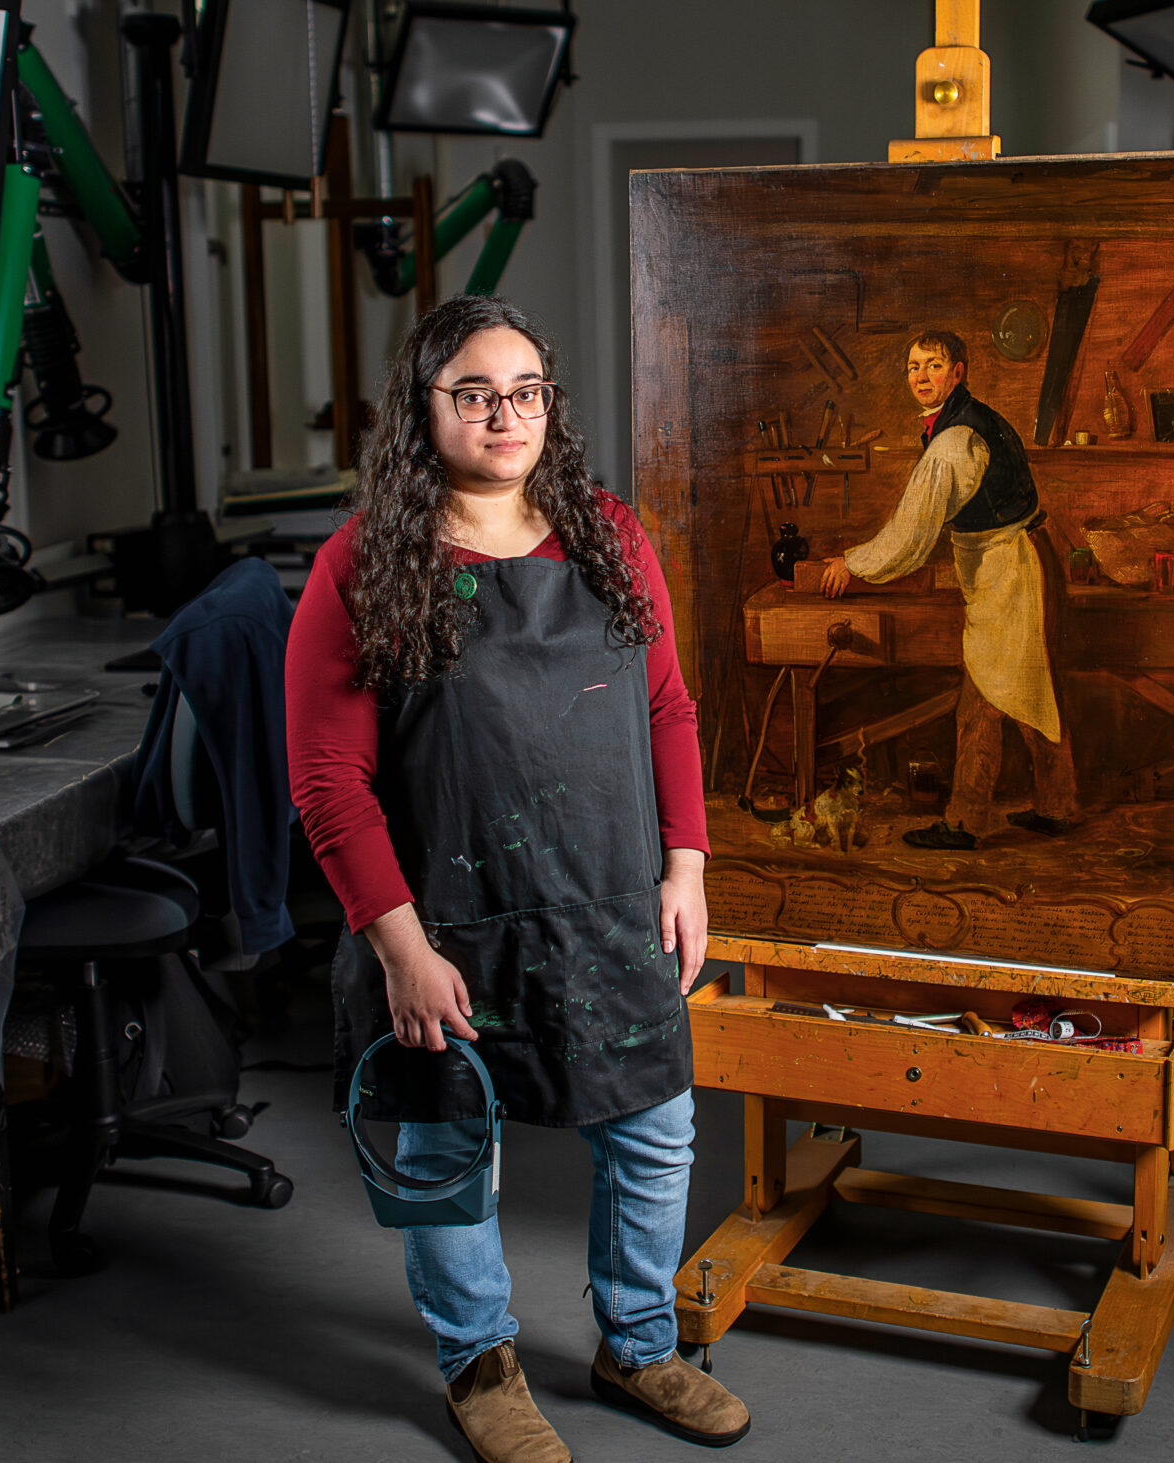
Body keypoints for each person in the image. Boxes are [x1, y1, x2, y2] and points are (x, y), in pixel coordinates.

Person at [287, 294, 747, 1462]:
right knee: (447, 1144)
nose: (506, 414)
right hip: (443, 921)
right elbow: (329, 782)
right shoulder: (360, 565)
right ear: (423, 407)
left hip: (606, 898)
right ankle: (478, 1363)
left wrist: (685, 864)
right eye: (475, 392)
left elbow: (668, 709)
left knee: (654, 1132)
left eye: (526, 390)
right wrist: (398, 945)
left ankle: (638, 1343)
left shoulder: (607, 534)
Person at [819, 330, 1077, 850]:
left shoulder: (955, 442)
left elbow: (911, 534)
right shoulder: (970, 420)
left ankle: (965, 821)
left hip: (1011, 571)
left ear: (957, 372)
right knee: (1032, 691)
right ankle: (1059, 804)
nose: (921, 377)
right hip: (1020, 560)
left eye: (933, 366)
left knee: (983, 700)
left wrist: (852, 562)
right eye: (913, 367)